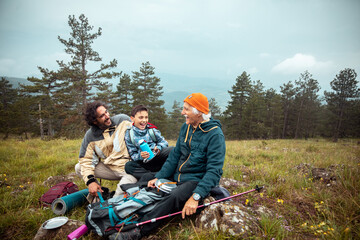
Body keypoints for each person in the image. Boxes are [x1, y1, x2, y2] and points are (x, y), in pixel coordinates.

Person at [109, 93, 226, 240]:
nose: (183, 112)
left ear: (199, 112)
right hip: (177, 175)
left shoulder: (215, 135)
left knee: (174, 196)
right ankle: (124, 206)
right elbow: (175, 155)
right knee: (147, 178)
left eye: (186, 110)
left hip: (195, 179)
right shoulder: (187, 127)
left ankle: (139, 229)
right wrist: (159, 176)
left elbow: (214, 171)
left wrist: (196, 196)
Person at [75, 101, 137, 198]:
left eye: (106, 112)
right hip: (111, 167)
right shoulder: (90, 136)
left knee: (118, 196)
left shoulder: (123, 120)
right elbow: (86, 160)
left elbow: (140, 132)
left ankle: (114, 199)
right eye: (102, 116)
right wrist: (91, 182)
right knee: (79, 168)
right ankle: (101, 192)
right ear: (94, 121)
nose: (107, 116)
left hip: (129, 168)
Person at [124, 105, 173, 180]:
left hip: (157, 157)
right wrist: (141, 156)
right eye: (140, 117)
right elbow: (133, 155)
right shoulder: (129, 134)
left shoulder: (151, 130)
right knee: (128, 166)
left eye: (146, 117)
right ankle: (156, 175)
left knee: (172, 150)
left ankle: (152, 175)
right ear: (132, 119)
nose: (144, 120)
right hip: (144, 162)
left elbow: (164, 142)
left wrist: (159, 148)